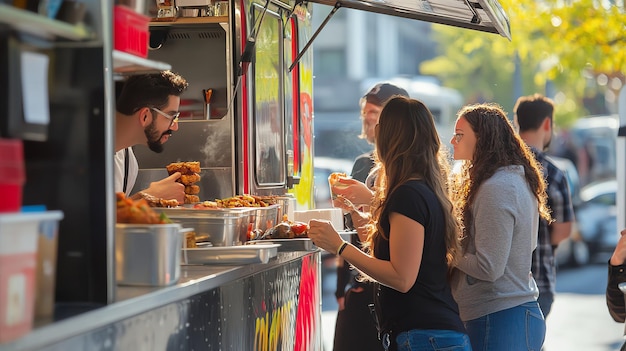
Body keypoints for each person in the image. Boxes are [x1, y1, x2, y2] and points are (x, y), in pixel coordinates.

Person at [310, 96, 471, 351]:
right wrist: (354, 210)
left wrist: (340, 247)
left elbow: (402, 277)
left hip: (425, 337)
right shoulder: (421, 189)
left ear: (390, 138)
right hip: (430, 334)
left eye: (380, 125)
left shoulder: (408, 195)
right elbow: (391, 248)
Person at [448, 103, 552, 351]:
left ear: (482, 138)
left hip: (500, 318)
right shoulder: (507, 179)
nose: (452, 140)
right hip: (502, 316)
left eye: (460, 134)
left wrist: (448, 250)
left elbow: (489, 267)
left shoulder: (498, 186)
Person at [332, 83, 409, 351]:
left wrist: (367, 202)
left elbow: (389, 227)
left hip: (387, 282)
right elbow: (355, 232)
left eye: (374, 112)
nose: (366, 118)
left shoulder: (408, 169)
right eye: (365, 111)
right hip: (361, 278)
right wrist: (343, 285)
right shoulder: (363, 163)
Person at [514, 94, 575, 318]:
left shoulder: (500, 166)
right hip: (539, 283)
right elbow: (563, 229)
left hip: (502, 287)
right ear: (547, 124)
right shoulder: (554, 174)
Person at [114, 71, 188, 203]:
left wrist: (150, 197)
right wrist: (149, 197)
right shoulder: (82, 156)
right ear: (145, 116)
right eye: (171, 117)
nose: (174, 127)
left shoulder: (127, 158)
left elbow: (114, 213)